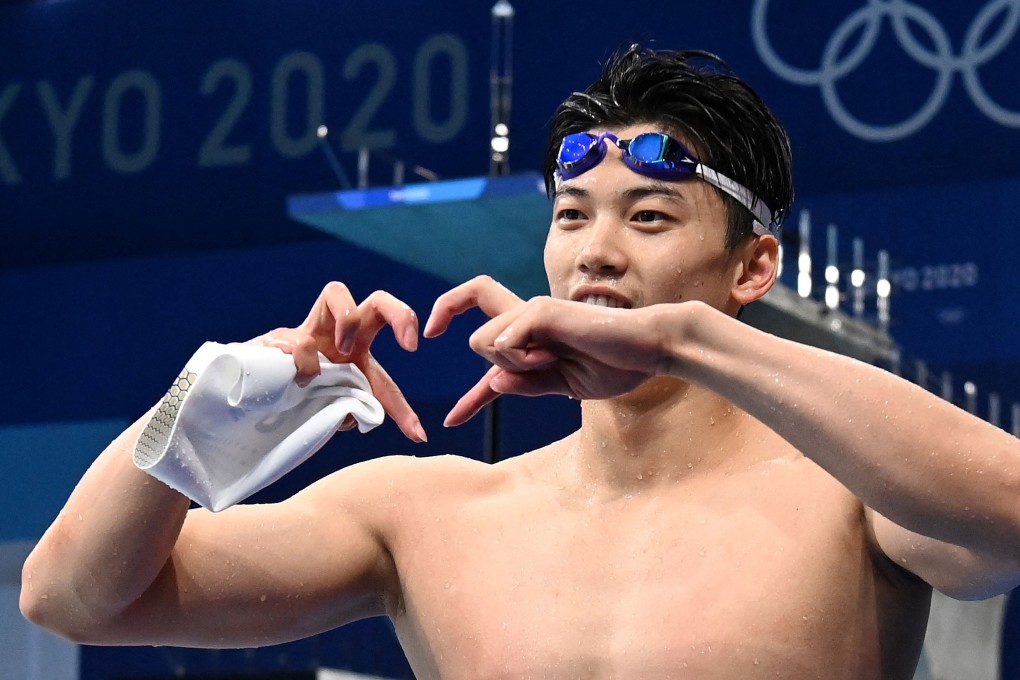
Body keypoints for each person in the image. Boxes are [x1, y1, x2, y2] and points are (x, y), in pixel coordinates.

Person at [20, 45, 1020, 679]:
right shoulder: (428, 517)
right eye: (573, 214)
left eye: (652, 216)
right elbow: (72, 598)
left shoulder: (848, 501)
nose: (597, 251)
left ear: (754, 264)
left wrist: (688, 339)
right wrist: (199, 410)